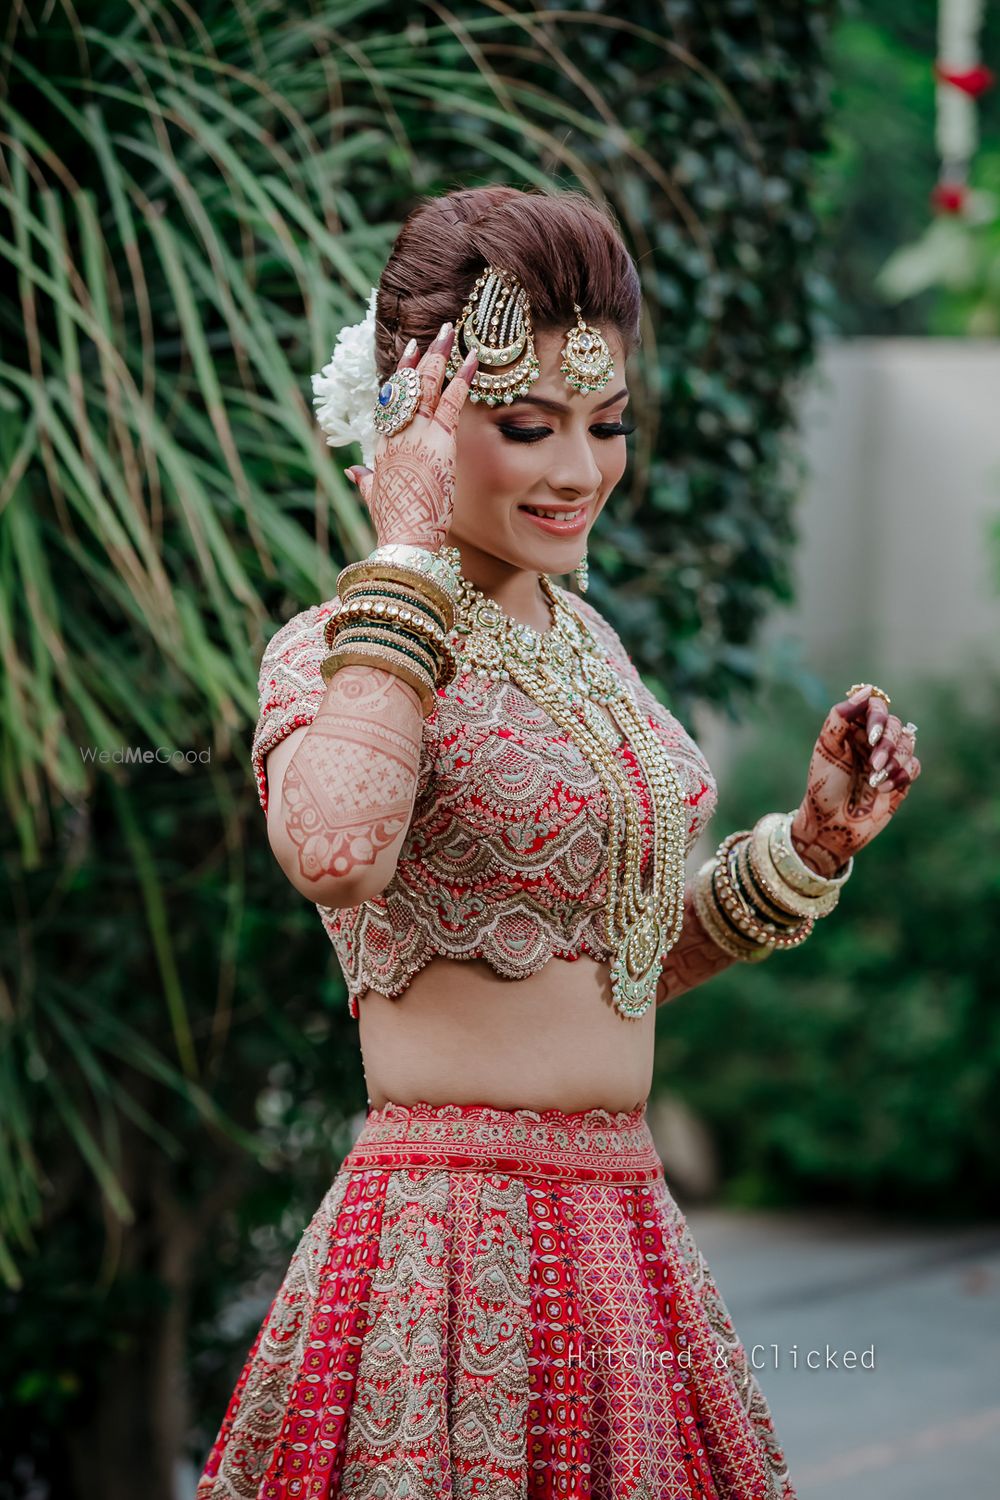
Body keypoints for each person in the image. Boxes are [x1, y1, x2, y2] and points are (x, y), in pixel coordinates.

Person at [195, 186, 920, 1500]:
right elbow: (338, 848)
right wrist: (404, 558)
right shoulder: (341, 649)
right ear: (416, 415)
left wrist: (810, 844)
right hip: (450, 1250)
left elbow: (614, 961)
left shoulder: (588, 646)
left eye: (607, 426)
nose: (578, 471)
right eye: (528, 426)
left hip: (624, 1236)